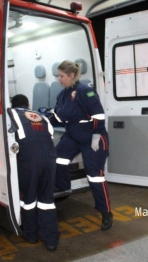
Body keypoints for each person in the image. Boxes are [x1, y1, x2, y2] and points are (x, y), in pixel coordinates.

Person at [50, 60, 113, 230]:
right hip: (73, 135)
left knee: (95, 176)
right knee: (58, 157)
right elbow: (58, 116)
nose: (59, 78)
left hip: (92, 136)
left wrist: (95, 136)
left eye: (62, 76)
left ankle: (106, 212)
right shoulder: (63, 94)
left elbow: (98, 115)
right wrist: (41, 120)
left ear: (71, 75)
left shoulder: (86, 91)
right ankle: (63, 185)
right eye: (58, 75)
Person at [10, 94, 60, 251]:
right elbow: (49, 136)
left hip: (30, 160)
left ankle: (31, 235)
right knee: (47, 200)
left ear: (12, 105)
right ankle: (51, 240)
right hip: (50, 159)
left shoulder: (10, 115)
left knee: (29, 199)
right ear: (28, 104)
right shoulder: (41, 116)